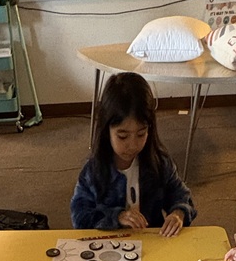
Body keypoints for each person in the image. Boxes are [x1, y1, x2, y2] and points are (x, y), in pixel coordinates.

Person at [70, 72, 196, 236]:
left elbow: (181, 196)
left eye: (141, 134)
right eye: (122, 136)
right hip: (109, 247)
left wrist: (178, 213)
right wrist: (117, 217)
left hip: (151, 243)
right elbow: (79, 216)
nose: (133, 145)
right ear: (106, 130)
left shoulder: (160, 163)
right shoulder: (94, 170)